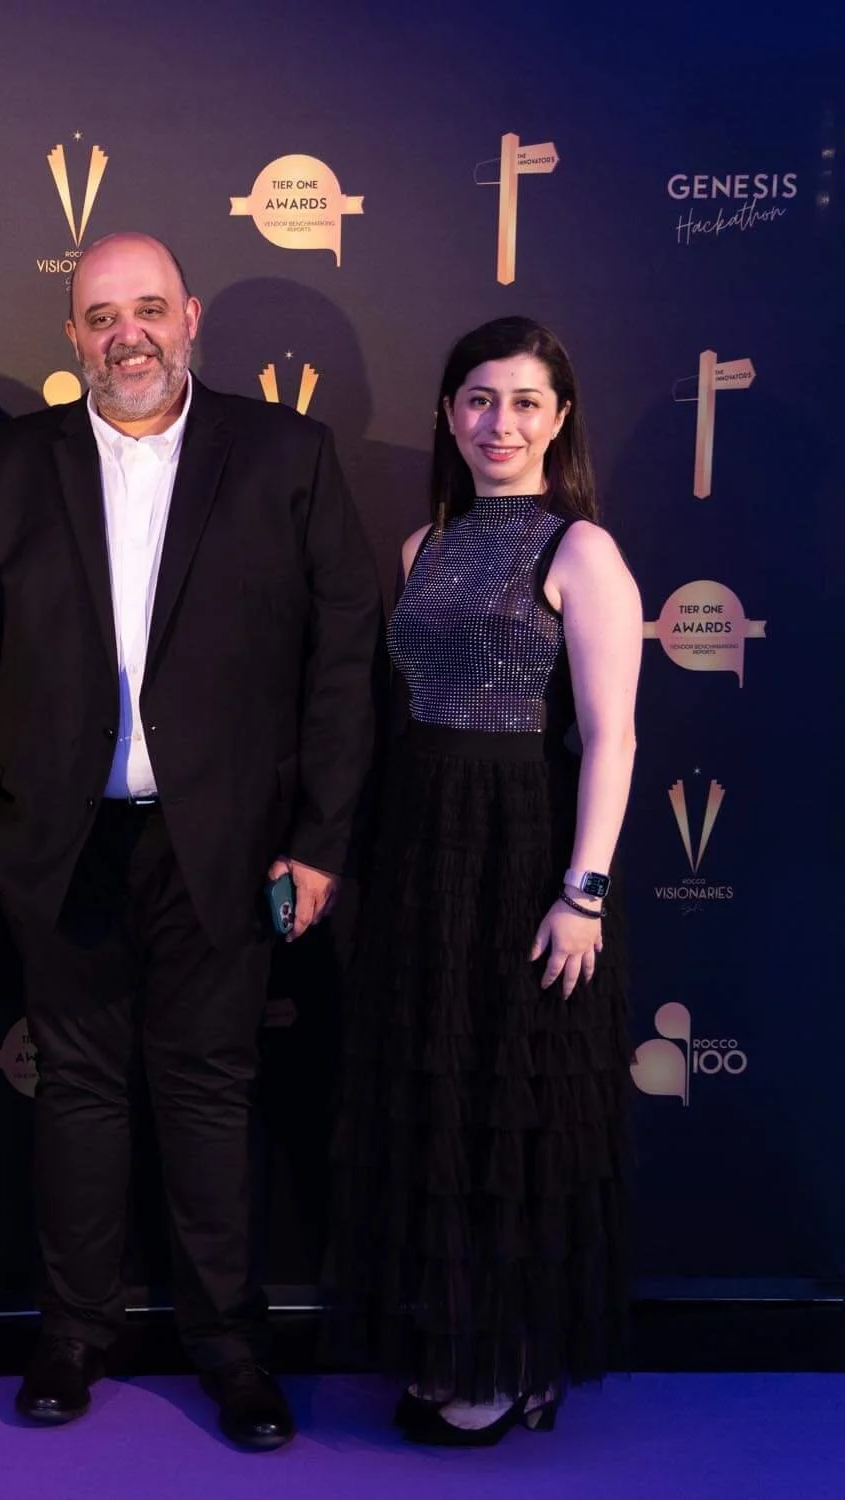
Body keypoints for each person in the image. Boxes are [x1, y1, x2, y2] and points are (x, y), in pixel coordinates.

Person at [0, 232, 382, 1451]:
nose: (124, 335)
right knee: (76, 1095)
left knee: (205, 1095)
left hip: (231, 847)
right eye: (98, 317)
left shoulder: (283, 456)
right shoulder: (2, 465)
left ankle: (228, 1347)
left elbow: (340, 664)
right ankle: (72, 1337)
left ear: (188, 317)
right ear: (71, 335)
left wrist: (317, 841)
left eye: (146, 309)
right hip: (62, 843)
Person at [326, 315, 641, 1444]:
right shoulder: (420, 546)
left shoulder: (581, 552)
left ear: (557, 418)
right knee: (439, 1096)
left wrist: (582, 892)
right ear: (445, 416)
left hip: (522, 852)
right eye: (475, 399)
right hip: (420, 846)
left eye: (520, 401)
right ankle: (450, 1339)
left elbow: (610, 736)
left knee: (515, 1104)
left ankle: (511, 1361)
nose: (496, 422)